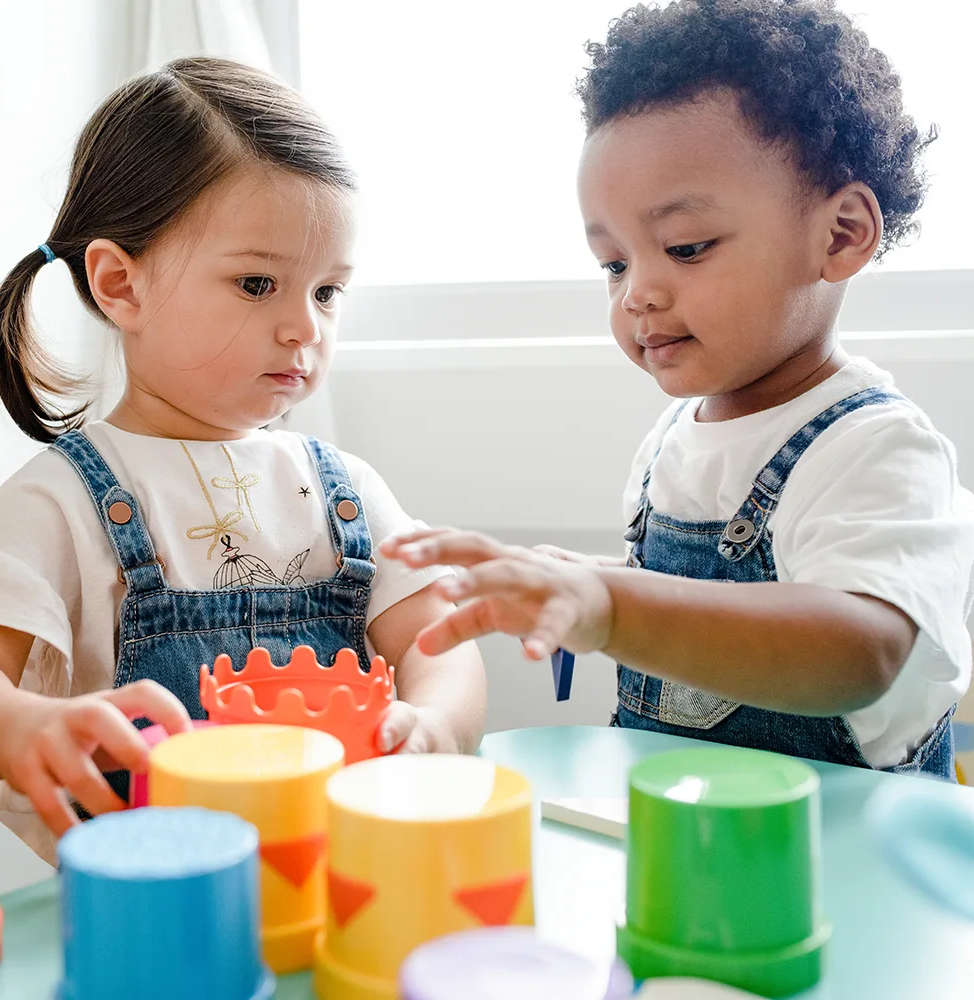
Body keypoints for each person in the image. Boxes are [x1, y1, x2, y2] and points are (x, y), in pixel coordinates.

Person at [383, 0, 974, 780]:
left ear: (841, 234)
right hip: (692, 850)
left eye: (685, 247)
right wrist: (589, 584)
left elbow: (860, 647)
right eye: (614, 263)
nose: (637, 294)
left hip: (846, 864)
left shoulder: (876, 449)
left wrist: (612, 605)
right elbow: (697, 607)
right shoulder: (672, 440)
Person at [0, 57, 486, 862]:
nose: (305, 329)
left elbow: (437, 642)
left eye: (327, 292)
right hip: (155, 917)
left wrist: (436, 725)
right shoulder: (59, 502)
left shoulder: (345, 490)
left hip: (341, 887)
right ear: (120, 285)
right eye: (258, 284)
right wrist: (15, 724)